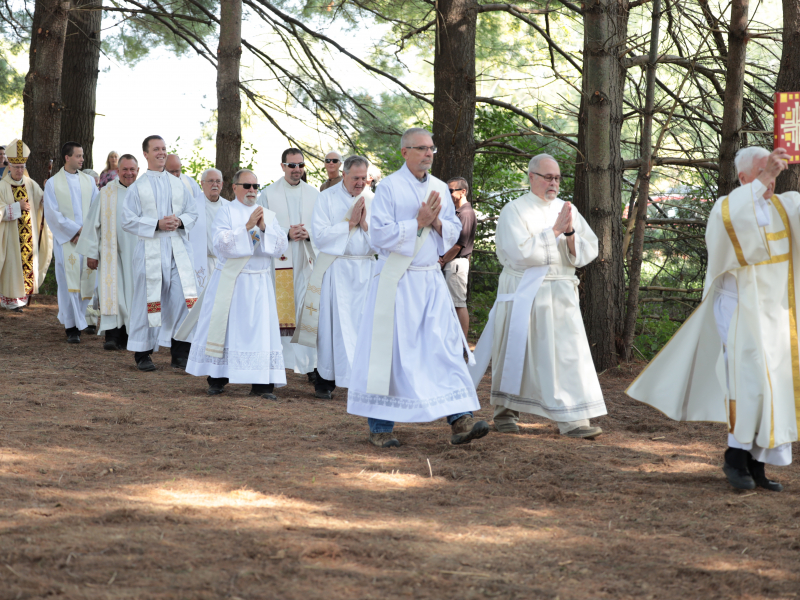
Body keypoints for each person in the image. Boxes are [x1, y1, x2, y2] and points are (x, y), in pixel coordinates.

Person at [628, 146, 796, 492]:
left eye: (774, 172)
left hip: (776, 314)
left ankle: (757, 463)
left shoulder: (786, 207)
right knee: (747, 382)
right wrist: (765, 177)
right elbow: (736, 223)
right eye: (764, 172)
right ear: (744, 177)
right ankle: (735, 457)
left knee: (772, 386)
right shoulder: (726, 208)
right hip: (738, 310)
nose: (772, 179)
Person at [347, 127, 487, 448]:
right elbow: (378, 237)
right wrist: (418, 222)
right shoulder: (389, 188)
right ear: (404, 152)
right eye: (421, 148)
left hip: (429, 280)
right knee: (390, 352)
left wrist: (437, 222)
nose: (428, 154)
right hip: (396, 283)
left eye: (431, 149)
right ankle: (380, 427)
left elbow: (453, 231)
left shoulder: (439, 187)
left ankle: (460, 419)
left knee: (445, 348)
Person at [470, 154, 606, 438]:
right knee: (515, 349)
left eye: (557, 177)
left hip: (560, 292)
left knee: (568, 355)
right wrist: (554, 230)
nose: (553, 183)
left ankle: (573, 419)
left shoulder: (567, 208)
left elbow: (587, 249)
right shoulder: (514, 210)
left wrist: (569, 233)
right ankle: (505, 411)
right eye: (548, 177)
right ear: (532, 177)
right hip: (523, 290)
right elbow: (516, 252)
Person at [177, 169, 289, 398]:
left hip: (258, 282)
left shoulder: (268, 214)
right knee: (225, 330)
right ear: (235, 187)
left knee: (260, 333)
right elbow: (220, 244)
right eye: (247, 186)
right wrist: (247, 227)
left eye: (255, 187)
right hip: (232, 280)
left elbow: (281, 247)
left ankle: (262, 384)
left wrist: (264, 228)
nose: (251, 191)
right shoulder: (226, 211)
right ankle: (218, 378)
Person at [294, 155, 376, 399]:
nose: (360, 183)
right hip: (336, 269)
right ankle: (325, 380)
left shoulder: (374, 200)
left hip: (365, 271)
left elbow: (383, 242)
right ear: (344, 175)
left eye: (364, 178)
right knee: (331, 327)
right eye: (355, 178)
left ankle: (361, 380)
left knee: (363, 328)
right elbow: (319, 236)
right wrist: (349, 224)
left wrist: (365, 226)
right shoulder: (327, 198)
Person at [122, 136, 198, 372]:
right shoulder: (137, 188)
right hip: (151, 248)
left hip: (177, 248)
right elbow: (127, 220)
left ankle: (180, 352)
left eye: (164, 149)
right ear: (145, 154)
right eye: (156, 149)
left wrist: (180, 220)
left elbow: (193, 213)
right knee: (149, 300)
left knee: (184, 299)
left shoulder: (179, 185)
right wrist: (156, 224)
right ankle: (143, 353)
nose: (161, 153)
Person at [258, 148, 319, 379]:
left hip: (306, 259)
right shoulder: (268, 194)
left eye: (301, 165)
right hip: (280, 262)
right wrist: (285, 233)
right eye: (292, 165)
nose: (297, 170)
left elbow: (323, 227)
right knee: (281, 311)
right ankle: (280, 363)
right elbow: (262, 226)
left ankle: (310, 365)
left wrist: (308, 233)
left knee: (307, 310)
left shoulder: (315, 194)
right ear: (282, 166)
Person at [75, 154, 140, 350]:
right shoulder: (106, 193)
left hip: (137, 253)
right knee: (113, 294)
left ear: (138, 171)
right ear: (118, 171)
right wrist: (91, 253)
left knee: (134, 295)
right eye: (125, 169)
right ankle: (112, 336)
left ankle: (131, 336)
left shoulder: (143, 192)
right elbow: (92, 223)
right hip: (111, 254)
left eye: (132, 169)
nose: (129, 173)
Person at [43, 141, 99, 343]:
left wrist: (86, 232)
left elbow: (96, 208)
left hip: (86, 240)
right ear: (67, 158)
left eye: (82, 156)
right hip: (66, 241)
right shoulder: (53, 183)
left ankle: (81, 319)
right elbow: (52, 213)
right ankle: (71, 327)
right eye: (78, 156)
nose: (82, 159)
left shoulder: (89, 182)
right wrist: (74, 231)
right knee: (68, 283)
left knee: (87, 281)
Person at [0, 139, 52, 312]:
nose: (20, 170)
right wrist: (17, 207)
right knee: (11, 265)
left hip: (28, 236)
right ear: (9, 166)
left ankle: (21, 299)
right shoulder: (1, 186)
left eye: (22, 167)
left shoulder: (29, 183)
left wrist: (47, 194)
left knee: (26, 263)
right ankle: (10, 300)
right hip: (10, 237)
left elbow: (41, 200)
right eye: (16, 167)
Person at [439, 177, 476, 339]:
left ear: (463, 192)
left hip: (456, 263)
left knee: (458, 305)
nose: (448, 194)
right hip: (453, 262)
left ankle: (461, 345)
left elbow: (458, 245)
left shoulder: (466, 214)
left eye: (451, 191)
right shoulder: (457, 212)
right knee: (452, 304)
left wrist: (442, 260)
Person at [189, 168, 228, 295]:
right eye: (211, 181)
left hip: (224, 263)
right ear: (202, 183)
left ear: (222, 184)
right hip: (201, 262)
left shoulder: (229, 207)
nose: (215, 184)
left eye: (218, 181)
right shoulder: (192, 207)